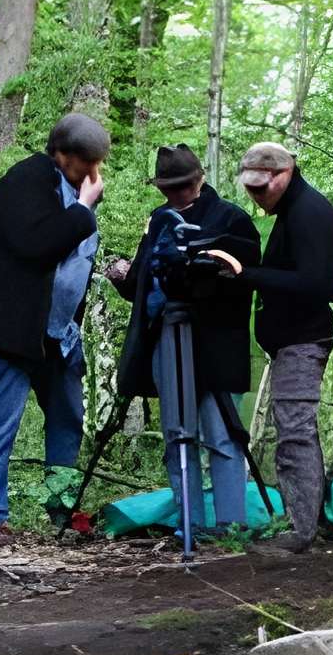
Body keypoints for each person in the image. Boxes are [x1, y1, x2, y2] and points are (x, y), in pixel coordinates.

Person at [0, 110, 109, 542]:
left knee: (67, 420)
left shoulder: (73, 192)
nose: (94, 174)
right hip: (12, 331)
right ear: (62, 154)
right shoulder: (26, 181)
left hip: (58, 334)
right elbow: (36, 245)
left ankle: (63, 515)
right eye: (86, 163)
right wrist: (84, 209)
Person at [103, 144, 263, 543]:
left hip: (216, 344)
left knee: (222, 434)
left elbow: (243, 280)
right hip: (167, 339)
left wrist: (197, 267)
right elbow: (145, 283)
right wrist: (125, 278)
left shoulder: (232, 219)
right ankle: (190, 523)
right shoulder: (159, 220)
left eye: (183, 185)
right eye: (168, 188)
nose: (176, 195)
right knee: (178, 434)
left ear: (200, 178)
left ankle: (231, 526)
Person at [230, 142, 333, 555]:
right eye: (250, 188)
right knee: (297, 429)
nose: (255, 196)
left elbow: (319, 285)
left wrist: (247, 275)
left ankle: (301, 533)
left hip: (303, 340)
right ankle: (310, 522)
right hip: (292, 340)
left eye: (261, 188)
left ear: (285, 174)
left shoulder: (311, 213)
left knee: (295, 432)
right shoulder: (293, 212)